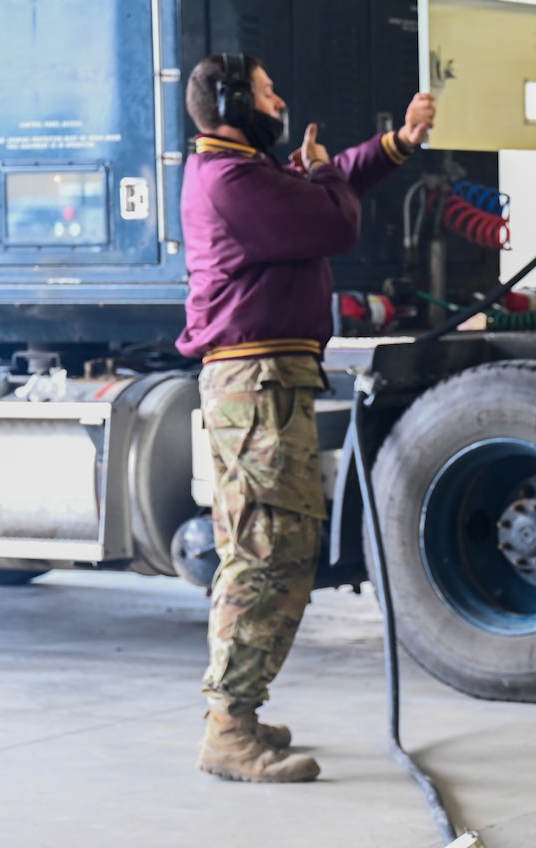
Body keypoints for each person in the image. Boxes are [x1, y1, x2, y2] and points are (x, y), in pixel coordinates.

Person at [177, 53, 435, 782]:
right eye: (265, 91)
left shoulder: (245, 174)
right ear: (233, 102)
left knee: (266, 547)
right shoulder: (230, 181)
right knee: (269, 551)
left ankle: (236, 710)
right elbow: (331, 218)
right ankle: (230, 726)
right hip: (257, 385)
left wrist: (398, 145)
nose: (279, 99)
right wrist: (322, 173)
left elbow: (329, 182)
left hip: (268, 381)